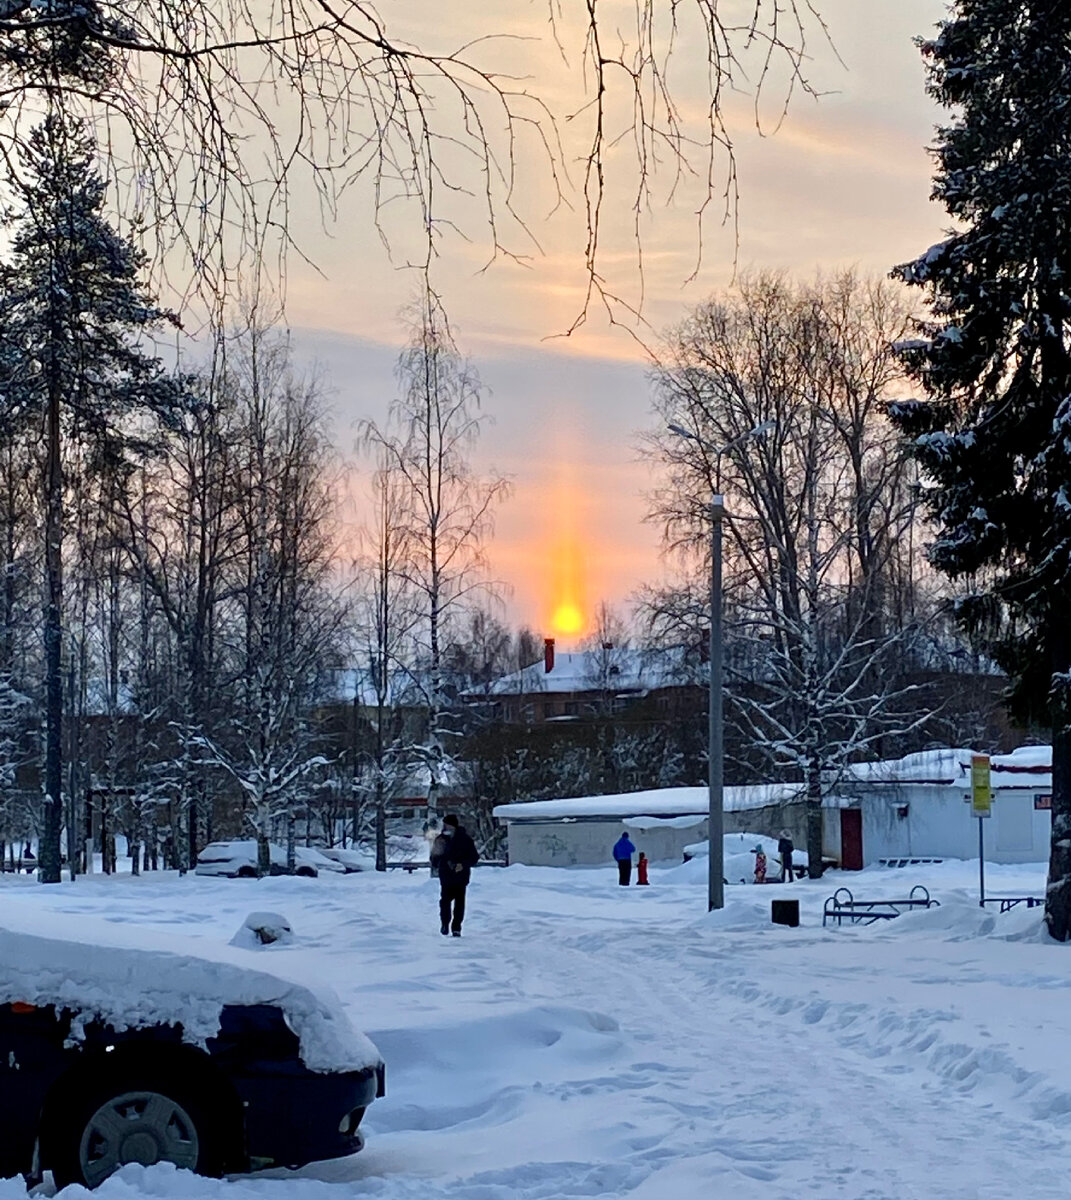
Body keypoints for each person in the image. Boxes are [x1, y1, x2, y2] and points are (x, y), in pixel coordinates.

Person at [430, 814, 479, 936]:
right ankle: (445, 924)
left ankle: (456, 927)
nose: (445, 827)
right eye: (444, 824)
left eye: (448, 825)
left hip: (461, 876)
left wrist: (462, 864)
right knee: (445, 902)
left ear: (454, 826)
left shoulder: (465, 840)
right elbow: (434, 860)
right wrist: (437, 855)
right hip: (446, 876)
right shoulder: (440, 839)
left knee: (459, 904)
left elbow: (474, 857)